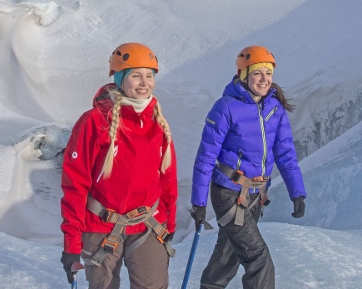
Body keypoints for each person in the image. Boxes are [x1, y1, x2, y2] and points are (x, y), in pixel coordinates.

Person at [60, 42, 178, 289]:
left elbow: (168, 179)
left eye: (149, 76)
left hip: (148, 225)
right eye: (136, 76)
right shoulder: (94, 121)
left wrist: (169, 223)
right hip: (101, 225)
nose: (144, 82)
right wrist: (72, 243)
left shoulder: (158, 122)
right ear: (121, 78)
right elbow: (75, 184)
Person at [191, 45, 306, 289]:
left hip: (255, 195)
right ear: (244, 75)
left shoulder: (275, 109)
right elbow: (206, 156)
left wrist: (297, 192)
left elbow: (285, 152)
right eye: (257, 73)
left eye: (268, 73)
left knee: (227, 256)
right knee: (259, 260)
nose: (264, 80)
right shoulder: (226, 107)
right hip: (228, 193)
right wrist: (199, 203)